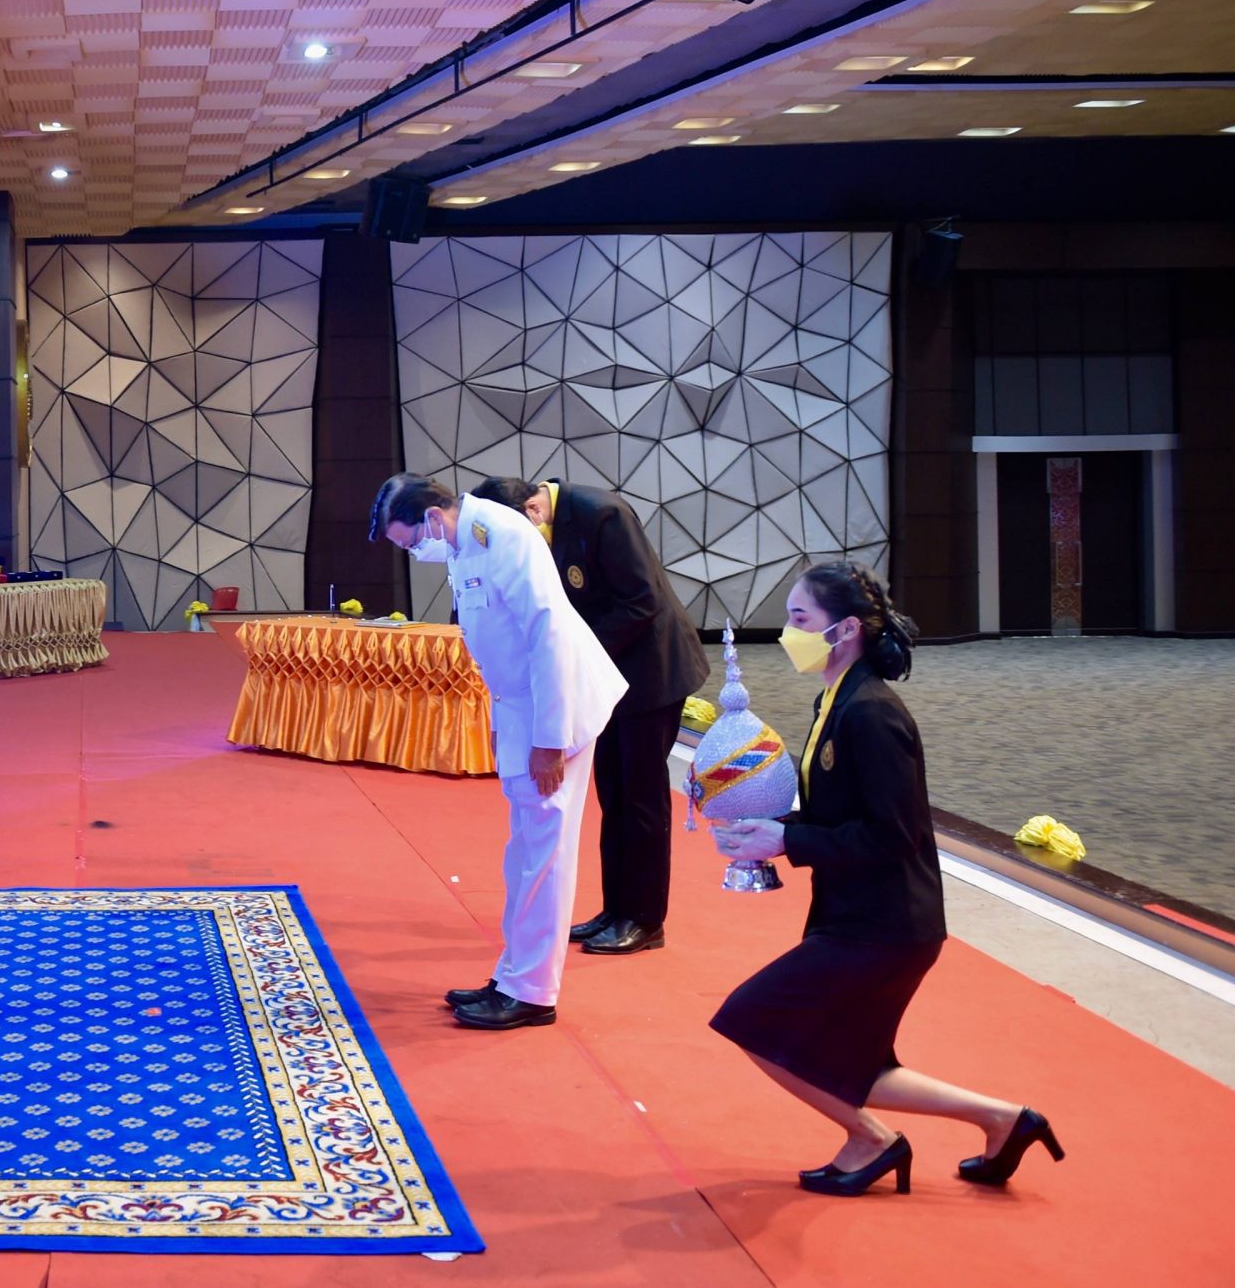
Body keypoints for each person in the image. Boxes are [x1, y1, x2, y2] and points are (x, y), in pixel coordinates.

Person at [708, 562, 1061, 1196]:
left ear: (844, 630)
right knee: (857, 1063)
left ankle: (873, 1139)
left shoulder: (871, 714)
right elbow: (840, 813)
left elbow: (892, 835)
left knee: (751, 1019)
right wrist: (761, 819)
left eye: (799, 619)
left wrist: (788, 841)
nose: (788, 633)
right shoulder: (835, 701)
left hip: (886, 927)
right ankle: (1005, 1121)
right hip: (862, 916)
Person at [370, 472, 627, 1029]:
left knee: (545, 853)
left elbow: (548, 636)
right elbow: (493, 643)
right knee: (524, 852)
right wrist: (503, 724)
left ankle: (533, 992)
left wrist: (548, 741)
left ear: (431, 518)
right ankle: (513, 974)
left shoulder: (503, 535)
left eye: (410, 543)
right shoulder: (466, 543)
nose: (414, 553)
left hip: (553, 708)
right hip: (521, 708)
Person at [472, 477, 708, 956]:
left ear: (532, 510)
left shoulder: (601, 513)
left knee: (641, 798)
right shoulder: (546, 524)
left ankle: (645, 919)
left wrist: (571, 656)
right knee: (613, 793)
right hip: (606, 676)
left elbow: (641, 602)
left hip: (651, 671)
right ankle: (615, 908)